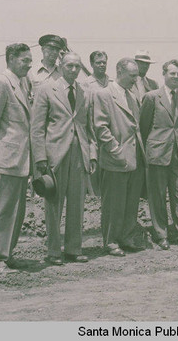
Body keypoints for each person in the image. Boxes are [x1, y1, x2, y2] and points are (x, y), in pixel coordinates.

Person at [31, 52, 97, 265]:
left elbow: (89, 127)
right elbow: (37, 127)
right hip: (54, 155)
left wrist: (92, 154)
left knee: (77, 203)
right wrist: (40, 157)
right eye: (69, 66)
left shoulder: (84, 92)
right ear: (61, 65)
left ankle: (73, 249)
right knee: (53, 204)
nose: (74, 70)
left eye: (77, 67)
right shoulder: (45, 89)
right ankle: (53, 252)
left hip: (79, 154)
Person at [0, 43, 33, 280]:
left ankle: (6, 254)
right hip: (6, 157)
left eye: (30, 60)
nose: (29, 64)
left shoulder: (23, 82)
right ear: (11, 59)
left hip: (21, 159)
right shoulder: (1, 83)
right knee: (2, 211)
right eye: (25, 60)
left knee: (16, 212)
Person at [139, 59, 178, 250]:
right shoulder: (151, 97)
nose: (175, 77)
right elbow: (144, 127)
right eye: (172, 73)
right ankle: (161, 234)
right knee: (157, 196)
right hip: (157, 153)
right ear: (164, 74)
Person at [92, 58, 146, 257]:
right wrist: (116, 151)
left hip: (135, 159)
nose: (135, 79)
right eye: (132, 75)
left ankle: (126, 237)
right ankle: (111, 241)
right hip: (116, 159)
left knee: (131, 203)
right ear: (120, 72)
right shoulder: (104, 94)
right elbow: (101, 128)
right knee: (114, 204)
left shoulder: (132, 96)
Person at [82, 51, 113, 197]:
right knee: (95, 161)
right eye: (98, 62)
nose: (101, 65)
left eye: (104, 62)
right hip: (93, 128)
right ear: (92, 64)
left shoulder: (112, 82)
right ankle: (94, 195)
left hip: (110, 128)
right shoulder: (86, 83)